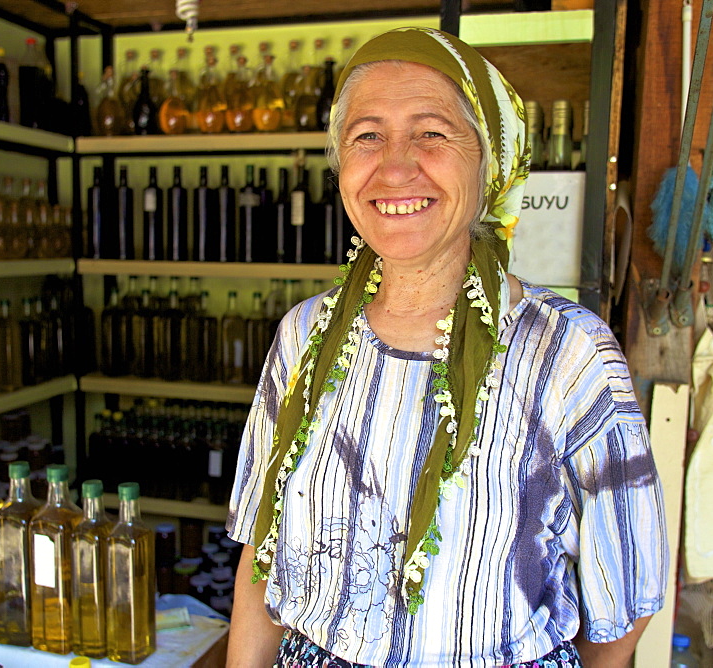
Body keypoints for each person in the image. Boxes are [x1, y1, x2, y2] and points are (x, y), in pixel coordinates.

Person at [227, 27, 667, 667]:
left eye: (432, 133)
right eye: (366, 135)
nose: (395, 165)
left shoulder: (567, 353)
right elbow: (259, 560)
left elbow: (625, 599)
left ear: (489, 162)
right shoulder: (303, 336)